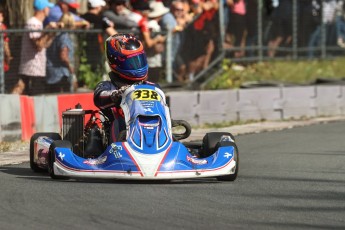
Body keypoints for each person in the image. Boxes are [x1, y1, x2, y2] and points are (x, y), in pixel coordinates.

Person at [94, 33, 159, 144]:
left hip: (151, 133)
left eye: (139, 59)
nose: (138, 65)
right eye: (132, 62)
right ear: (116, 62)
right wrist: (116, 95)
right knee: (118, 123)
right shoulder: (108, 86)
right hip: (120, 139)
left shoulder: (152, 87)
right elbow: (99, 97)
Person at [18, 0, 58, 96]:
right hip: (32, 69)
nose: (49, 10)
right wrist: (47, 30)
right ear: (43, 9)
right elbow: (38, 45)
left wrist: (52, 33)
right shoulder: (33, 23)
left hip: (39, 69)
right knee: (33, 98)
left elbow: (44, 44)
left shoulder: (39, 24)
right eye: (48, 7)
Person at [81, 0, 117, 72]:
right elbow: (114, 34)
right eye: (101, 7)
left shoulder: (81, 17)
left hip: (82, 51)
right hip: (97, 50)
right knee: (98, 71)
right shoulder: (101, 19)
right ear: (97, 7)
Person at [46, 13, 75, 93]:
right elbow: (63, 56)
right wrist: (70, 66)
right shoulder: (65, 37)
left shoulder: (54, 35)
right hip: (61, 75)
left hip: (51, 73)